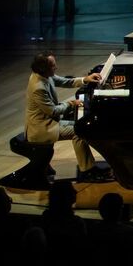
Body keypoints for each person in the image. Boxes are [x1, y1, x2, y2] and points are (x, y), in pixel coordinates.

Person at [25, 51, 106, 181]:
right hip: (42, 128)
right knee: (78, 132)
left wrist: (85, 79)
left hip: (49, 122)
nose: (55, 68)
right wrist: (71, 103)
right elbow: (53, 111)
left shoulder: (44, 75)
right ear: (44, 68)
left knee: (78, 124)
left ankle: (88, 166)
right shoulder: (38, 87)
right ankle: (88, 171)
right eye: (53, 66)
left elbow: (64, 82)